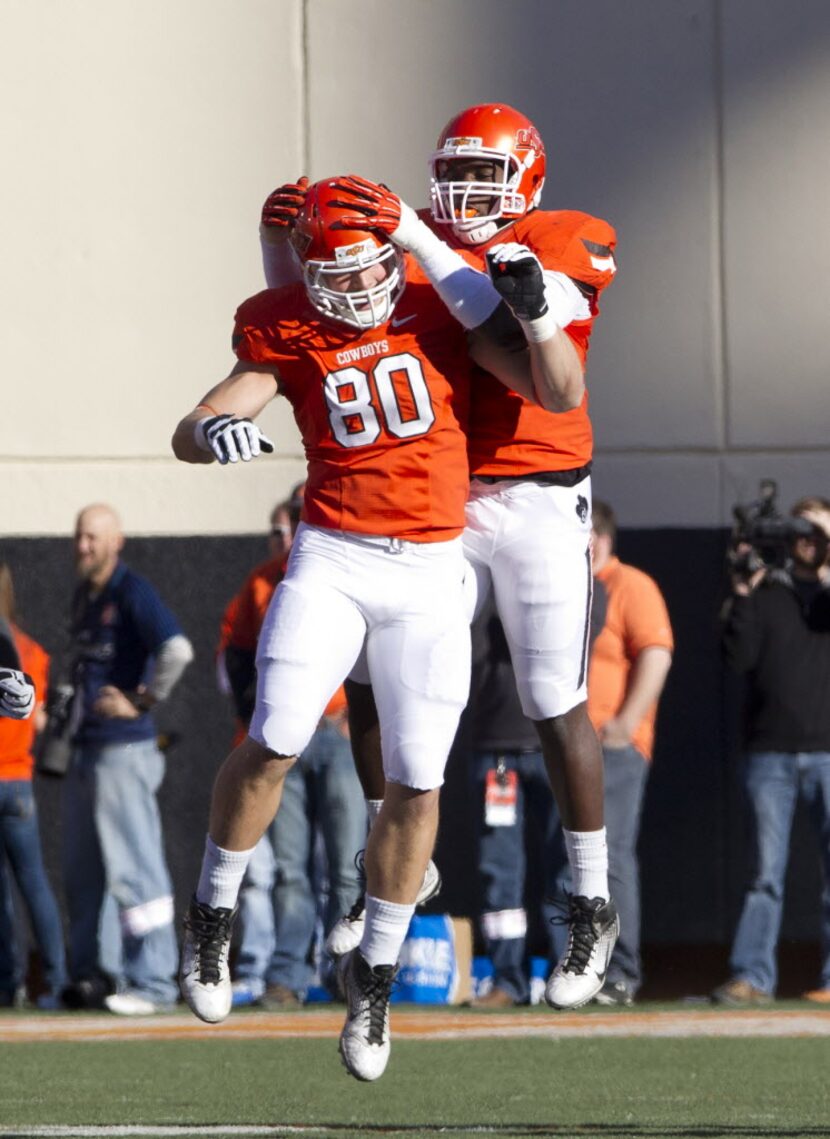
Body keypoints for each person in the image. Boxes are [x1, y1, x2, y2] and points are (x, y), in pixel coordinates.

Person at [171, 180, 524, 1080]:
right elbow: (199, 418)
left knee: (417, 781)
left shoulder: (438, 299)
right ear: (304, 269)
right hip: (333, 552)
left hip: (434, 568)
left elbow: (520, 352)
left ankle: (374, 982)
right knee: (275, 736)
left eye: (371, 266)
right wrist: (215, 433)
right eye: (334, 273)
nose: (359, 289)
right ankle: (212, 917)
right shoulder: (284, 320)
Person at [311, 102, 621, 1009]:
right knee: (375, 666)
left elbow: (530, 318)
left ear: (526, 177)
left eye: (488, 175)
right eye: (459, 173)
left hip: (535, 491)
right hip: (440, 490)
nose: (469, 191)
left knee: (551, 696)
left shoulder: (565, 235)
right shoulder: (413, 252)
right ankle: (390, 848)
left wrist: (415, 234)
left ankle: (590, 897)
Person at [220, 492, 367, 1008]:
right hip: (287, 737)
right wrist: (255, 711)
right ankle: (287, 975)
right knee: (290, 866)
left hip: (336, 729)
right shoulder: (265, 580)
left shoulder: (356, 566)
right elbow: (234, 651)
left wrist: (361, 714)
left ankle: (346, 972)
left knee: (349, 863)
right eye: (301, 519)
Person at [62, 503, 194, 1015]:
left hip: (124, 747)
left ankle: (155, 980)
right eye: (79, 536)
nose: (83, 546)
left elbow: (177, 649)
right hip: (87, 749)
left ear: (117, 541)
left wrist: (141, 700)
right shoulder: (86, 596)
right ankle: (96, 977)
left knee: (136, 869)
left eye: (93, 537)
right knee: (86, 873)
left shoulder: (130, 589)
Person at [713, 496, 830, 1006]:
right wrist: (741, 591)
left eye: (819, 532)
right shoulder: (765, 594)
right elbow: (737, 658)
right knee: (765, 874)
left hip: (828, 751)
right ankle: (753, 977)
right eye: (800, 531)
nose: (809, 541)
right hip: (770, 753)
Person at [582, 500, 673, 1005]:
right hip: (571, 748)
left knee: (611, 856)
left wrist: (625, 723)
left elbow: (656, 654)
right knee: (570, 861)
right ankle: (579, 968)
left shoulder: (629, 583)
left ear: (604, 537)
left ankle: (620, 972)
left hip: (611, 746)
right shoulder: (567, 585)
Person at [0, 562, 67, 1008]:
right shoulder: (30, 650)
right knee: (34, 882)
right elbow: (37, 715)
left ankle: (9, 983)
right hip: (18, 781)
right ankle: (57, 981)